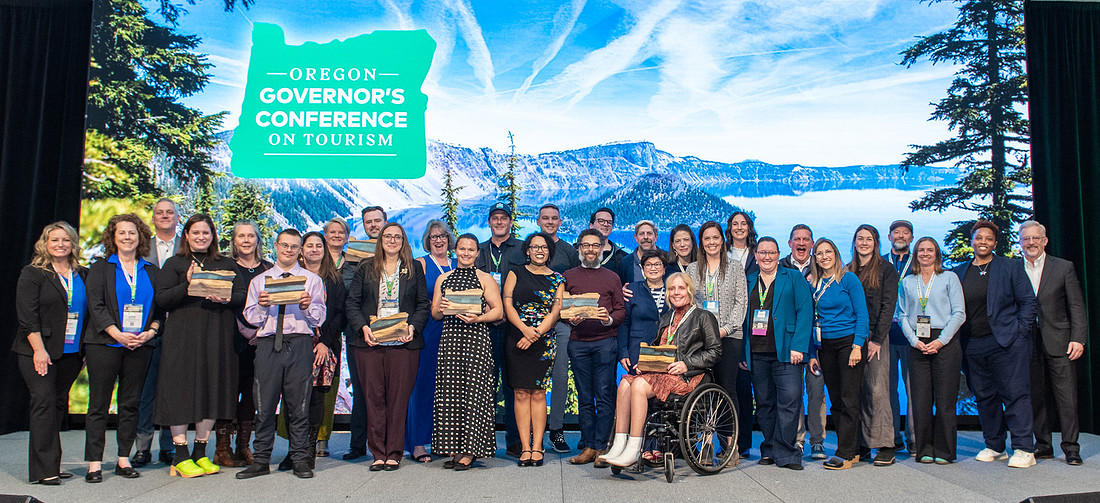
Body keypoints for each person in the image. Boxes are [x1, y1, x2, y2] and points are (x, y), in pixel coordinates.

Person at [600, 273, 722, 467]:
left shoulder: (703, 316)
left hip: (689, 375)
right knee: (624, 383)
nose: (676, 292)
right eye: (672, 289)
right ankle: (619, 443)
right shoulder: (667, 317)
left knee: (639, 385)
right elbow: (659, 349)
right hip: (664, 373)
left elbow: (715, 352)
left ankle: (635, 446)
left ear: (689, 291)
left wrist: (687, 363)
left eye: (681, 288)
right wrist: (645, 364)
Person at [153, 214, 242, 478]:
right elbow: (163, 300)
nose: (201, 237)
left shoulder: (225, 263)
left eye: (206, 233)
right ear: (187, 235)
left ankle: (199, 453)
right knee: (180, 391)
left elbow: (241, 295)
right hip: (182, 339)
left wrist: (224, 299)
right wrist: (188, 284)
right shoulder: (174, 263)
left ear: (213, 236)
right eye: (196, 233)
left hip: (217, 336)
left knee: (212, 390)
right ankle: (180, 456)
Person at [236, 229, 327, 480]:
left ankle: (299, 459)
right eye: (284, 245)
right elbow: (251, 319)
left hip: (299, 342)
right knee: (264, 404)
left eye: (294, 246)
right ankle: (261, 460)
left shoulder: (312, 280)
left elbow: (320, 317)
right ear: (276, 246)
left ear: (300, 250)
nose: (288, 250)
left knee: (299, 405)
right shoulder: (260, 281)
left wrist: (308, 307)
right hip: (267, 344)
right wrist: (263, 307)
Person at [83, 214, 164, 482]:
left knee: (130, 405)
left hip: (139, 346)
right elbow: (95, 306)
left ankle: (123, 459)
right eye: (122, 233)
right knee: (98, 405)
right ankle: (94, 463)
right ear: (112, 237)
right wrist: (117, 333)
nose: (127, 237)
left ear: (140, 237)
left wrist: (149, 332)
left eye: (132, 233)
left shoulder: (151, 271)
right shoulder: (100, 268)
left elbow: (159, 310)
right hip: (105, 344)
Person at [953, 220, 1038, 468]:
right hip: (972, 345)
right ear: (972, 241)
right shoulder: (960, 271)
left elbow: (1028, 303)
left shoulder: (1011, 267)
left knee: (1015, 395)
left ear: (995, 243)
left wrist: (1020, 333)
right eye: (979, 238)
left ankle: (1024, 448)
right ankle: (995, 445)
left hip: (1006, 343)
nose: (983, 242)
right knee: (984, 397)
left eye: (988, 239)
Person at [346, 222, 430, 471]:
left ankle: (394, 452)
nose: (392, 240)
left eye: (398, 237)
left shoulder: (414, 268)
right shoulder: (365, 268)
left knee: (398, 398)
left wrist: (413, 327)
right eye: (388, 236)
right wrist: (364, 328)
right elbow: (352, 303)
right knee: (374, 398)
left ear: (403, 242)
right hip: (370, 343)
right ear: (380, 240)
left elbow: (423, 304)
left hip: (403, 344)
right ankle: (378, 453)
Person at [14, 221, 88, 485]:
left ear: (73, 244)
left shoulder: (83, 274)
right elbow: (27, 316)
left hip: (70, 352)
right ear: (45, 243)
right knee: (43, 403)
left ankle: (51, 464)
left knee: (58, 406)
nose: (60, 245)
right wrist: (39, 350)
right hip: (38, 351)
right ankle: (45, 471)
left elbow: (88, 315)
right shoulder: (33, 273)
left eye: (65, 240)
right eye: (54, 240)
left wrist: (84, 352)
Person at [273, 231, 348, 472]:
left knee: (316, 398)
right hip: (294, 344)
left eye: (319, 246)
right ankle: (293, 450)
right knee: (292, 398)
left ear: (325, 250)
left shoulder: (334, 280)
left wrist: (325, 341)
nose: (314, 250)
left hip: (323, 347)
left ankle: (308, 449)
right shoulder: (291, 277)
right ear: (301, 250)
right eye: (309, 246)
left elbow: (339, 314)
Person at [431, 233, 504, 470]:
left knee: (474, 394)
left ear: (477, 253)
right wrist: (442, 308)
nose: (465, 253)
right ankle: (454, 447)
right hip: (451, 342)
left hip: (476, 342)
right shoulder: (444, 278)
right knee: (451, 394)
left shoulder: (485, 279)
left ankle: (471, 450)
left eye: (470, 250)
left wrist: (478, 317)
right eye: (462, 249)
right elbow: (435, 314)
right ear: (455, 250)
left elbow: (499, 312)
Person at [741, 237, 813, 470]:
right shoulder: (749, 280)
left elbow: (805, 312)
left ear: (778, 254)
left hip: (787, 351)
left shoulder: (792, 277)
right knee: (764, 403)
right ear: (756, 255)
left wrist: (799, 347)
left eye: (771, 252)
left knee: (790, 400)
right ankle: (770, 449)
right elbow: (742, 320)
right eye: (762, 253)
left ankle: (788, 452)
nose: (767, 257)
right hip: (757, 353)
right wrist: (743, 353)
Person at [1020, 221, 1087, 465]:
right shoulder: (1014, 268)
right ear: (1020, 242)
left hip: (1060, 340)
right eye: (1026, 238)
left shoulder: (1063, 267)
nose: (1031, 243)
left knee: (1066, 397)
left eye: (1035, 238)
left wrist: (1078, 337)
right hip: (1027, 342)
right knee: (1035, 397)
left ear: (1045, 240)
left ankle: (1071, 448)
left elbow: (1076, 305)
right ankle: (1043, 446)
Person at [897, 237, 965, 464]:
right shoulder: (908, 281)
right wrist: (913, 340)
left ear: (937, 253)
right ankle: (924, 448)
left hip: (944, 340)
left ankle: (945, 451)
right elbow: (902, 315)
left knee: (945, 400)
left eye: (930, 250)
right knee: (920, 399)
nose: (925, 254)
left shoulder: (949, 278)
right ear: (915, 254)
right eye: (921, 250)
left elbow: (959, 313)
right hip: (917, 342)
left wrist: (941, 340)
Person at [685, 221, 749, 457]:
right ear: (701, 243)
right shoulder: (692, 269)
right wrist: (705, 333)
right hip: (701, 340)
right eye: (707, 239)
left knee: (727, 388)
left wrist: (724, 329)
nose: (711, 242)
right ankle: (706, 443)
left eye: (715, 238)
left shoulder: (734, 268)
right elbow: (691, 304)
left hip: (729, 336)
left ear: (723, 240)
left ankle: (731, 445)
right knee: (703, 388)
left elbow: (740, 304)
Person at [503, 232, 565, 467]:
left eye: (544, 247)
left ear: (549, 251)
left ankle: (537, 446)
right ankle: (525, 447)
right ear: (527, 250)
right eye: (534, 246)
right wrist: (524, 330)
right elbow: (507, 302)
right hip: (516, 338)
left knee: (538, 393)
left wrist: (536, 333)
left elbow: (555, 311)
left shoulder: (558, 278)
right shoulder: (514, 272)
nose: (539, 250)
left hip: (544, 340)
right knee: (520, 393)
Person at [564, 229, 626, 466]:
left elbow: (620, 310)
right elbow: (561, 308)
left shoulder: (612, 277)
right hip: (578, 343)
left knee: (604, 395)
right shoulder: (568, 276)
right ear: (579, 248)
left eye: (595, 246)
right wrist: (570, 318)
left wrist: (608, 319)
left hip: (605, 342)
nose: (590, 250)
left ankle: (602, 446)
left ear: (602, 248)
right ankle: (588, 445)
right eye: (586, 245)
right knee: (585, 396)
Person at [809, 238, 869, 470]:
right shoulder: (813, 283)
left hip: (848, 345)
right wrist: (813, 352)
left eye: (828, 252)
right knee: (835, 402)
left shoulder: (848, 279)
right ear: (815, 258)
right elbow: (811, 320)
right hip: (825, 347)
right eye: (819, 253)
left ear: (836, 253)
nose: (824, 256)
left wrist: (857, 346)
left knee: (849, 399)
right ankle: (852, 450)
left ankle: (844, 453)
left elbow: (862, 314)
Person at [219, 221, 273, 468]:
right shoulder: (225, 267)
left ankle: (243, 446)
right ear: (234, 240)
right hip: (229, 339)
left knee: (252, 394)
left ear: (258, 240)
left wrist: (258, 330)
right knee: (227, 392)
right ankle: (222, 449)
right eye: (241, 236)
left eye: (251, 235)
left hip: (259, 340)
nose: (246, 240)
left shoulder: (268, 269)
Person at [474, 202, 525, 456]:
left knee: (512, 383)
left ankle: (515, 440)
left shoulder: (521, 249)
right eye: (495, 218)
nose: (499, 222)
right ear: (489, 222)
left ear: (510, 221)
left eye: (503, 218)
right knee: (485, 384)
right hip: (483, 327)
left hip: (513, 327)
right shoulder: (479, 250)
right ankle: (483, 439)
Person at [848, 224, 900, 466]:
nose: (864, 243)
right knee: (856, 390)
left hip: (876, 338)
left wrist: (877, 340)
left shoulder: (886, 270)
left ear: (876, 242)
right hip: (852, 338)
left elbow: (888, 306)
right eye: (860, 239)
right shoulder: (848, 270)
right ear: (855, 242)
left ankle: (885, 444)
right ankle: (862, 444)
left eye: (869, 239)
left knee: (877, 390)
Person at [134, 198, 180, 467]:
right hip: (146, 328)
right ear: (153, 218)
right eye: (159, 213)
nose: (164, 216)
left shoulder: (185, 250)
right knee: (146, 390)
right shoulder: (141, 249)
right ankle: (142, 447)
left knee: (172, 389)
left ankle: (169, 446)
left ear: (177, 217)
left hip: (177, 328)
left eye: (170, 213)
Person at [408, 220, 456, 462]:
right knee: (423, 386)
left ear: (449, 240)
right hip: (429, 330)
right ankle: (418, 442)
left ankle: (443, 440)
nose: (439, 240)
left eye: (443, 236)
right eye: (434, 237)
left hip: (456, 332)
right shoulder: (421, 264)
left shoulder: (459, 263)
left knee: (448, 389)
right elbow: (412, 298)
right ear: (428, 240)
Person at [342, 206, 388, 461]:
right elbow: (349, 289)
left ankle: (388, 442)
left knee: (388, 389)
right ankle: (358, 444)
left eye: (377, 221)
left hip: (391, 330)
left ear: (385, 222)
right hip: (359, 331)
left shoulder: (398, 253)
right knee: (361, 389)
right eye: (368, 222)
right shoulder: (355, 255)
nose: (373, 225)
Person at [781, 224, 826, 460]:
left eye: (806, 239)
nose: (801, 243)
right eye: (797, 239)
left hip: (816, 344)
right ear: (790, 243)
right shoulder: (780, 267)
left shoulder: (822, 266)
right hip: (791, 343)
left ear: (812, 243)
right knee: (793, 394)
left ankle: (817, 441)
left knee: (816, 393)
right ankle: (797, 440)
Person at [537, 203, 579, 453]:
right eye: (545, 218)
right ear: (538, 221)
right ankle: (534, 430)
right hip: (533, 326)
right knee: (534, 378)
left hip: (561, 323)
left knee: (560, 376)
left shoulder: (567, 251)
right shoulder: (529, 248)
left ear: (560, 222)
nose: (550, 222)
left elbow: (574, 286)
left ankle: (556, 429)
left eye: (554, 218)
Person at [319, 216, 351, 458]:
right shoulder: (314, 261)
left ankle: (323, 438)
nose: (337, 236)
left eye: (341, 232)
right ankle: (310, 436)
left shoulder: (352, 263)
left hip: (342, 330)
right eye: (332, 232)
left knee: (330, 384)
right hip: (314, 331)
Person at [884, 219, 916, 453]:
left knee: (913, 387)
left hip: (913, 333)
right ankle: (892, 435)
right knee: (887, 388)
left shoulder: (919, 261)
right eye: (897, 232)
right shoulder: (881, 262)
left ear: (911, 238)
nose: (901, 236)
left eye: (905, 233)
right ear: (889, 236)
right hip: (884, 334)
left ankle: (914, 437)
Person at [586, 207, 629, 283]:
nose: (606, 224)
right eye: (601, 221)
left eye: (609, 222)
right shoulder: (576, 252)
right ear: (591, 225)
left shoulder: (623, 257)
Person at [726, 211, 759, 275]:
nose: (739, 228)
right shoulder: (722, 251)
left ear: (749, 227)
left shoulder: (757, 251)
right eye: (735, 224)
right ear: (730, 228)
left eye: (743, 224)